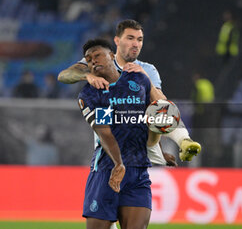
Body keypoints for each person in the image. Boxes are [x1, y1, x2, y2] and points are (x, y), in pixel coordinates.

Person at [58, 19, 201, 165]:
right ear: (117, 41)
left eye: (139, 40)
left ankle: (184, 141)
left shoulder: (148, 69)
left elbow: (161, 103)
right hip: (111, 145)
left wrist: (146, 80)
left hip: (140, 141)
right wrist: (87, 75)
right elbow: (63, 76)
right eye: (130, 38)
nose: (135, 44)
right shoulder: (101, 61)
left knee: (161, 106)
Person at [78, 38, 163, 229]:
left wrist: (160, 149)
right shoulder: (93, 93)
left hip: (138, 172)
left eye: (97, 55)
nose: (92, 61)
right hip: (107, 170)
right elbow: (105, 133)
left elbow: (148, 122)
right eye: (88, 59)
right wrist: (119, 164)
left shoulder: (139, 81)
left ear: (111, 55)